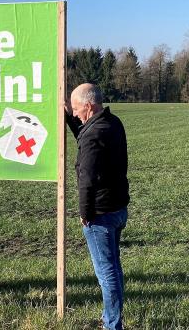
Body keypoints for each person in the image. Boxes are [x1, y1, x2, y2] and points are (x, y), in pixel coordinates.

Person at [65, 83, 130, 330]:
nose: (74, 113)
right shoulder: (112, 123)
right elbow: (86, 136)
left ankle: (112, 325)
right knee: (114, 268)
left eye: (76, 109)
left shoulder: (93, 134)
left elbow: (87, 179)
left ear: (89, 106)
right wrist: (69, 119)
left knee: (106, 274)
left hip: (100, 214)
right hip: (118, 209)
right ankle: (111, 319)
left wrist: (85, 213)